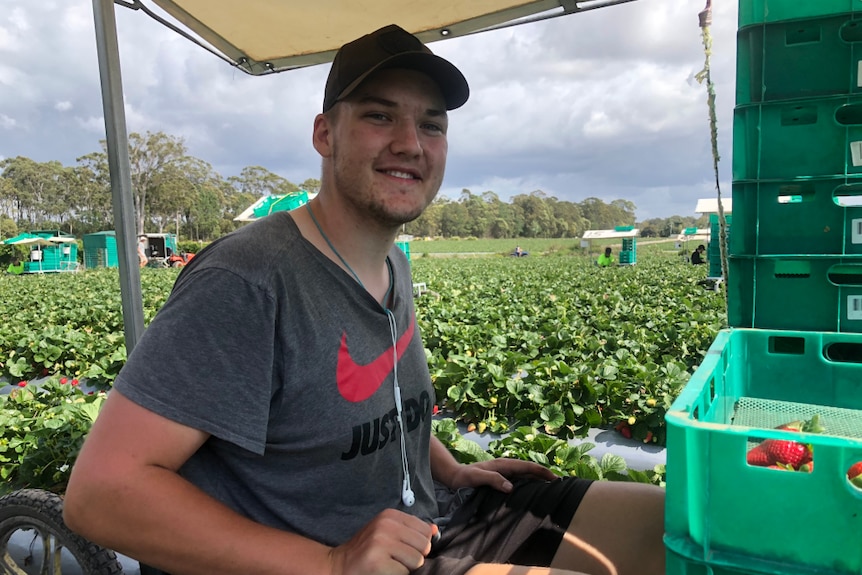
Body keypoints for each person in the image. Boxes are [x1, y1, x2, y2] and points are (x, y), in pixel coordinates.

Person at [64, 24, 664, 575]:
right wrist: (331, 562)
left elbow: (381, 399)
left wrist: (449, 467)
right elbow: (101, 496)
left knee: (671, 526)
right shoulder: (248, 280)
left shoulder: (391, 263)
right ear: (325, 134)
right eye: (380, 117)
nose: (411, 143)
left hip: (431, 522)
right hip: (328, 561)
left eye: (431, 125)